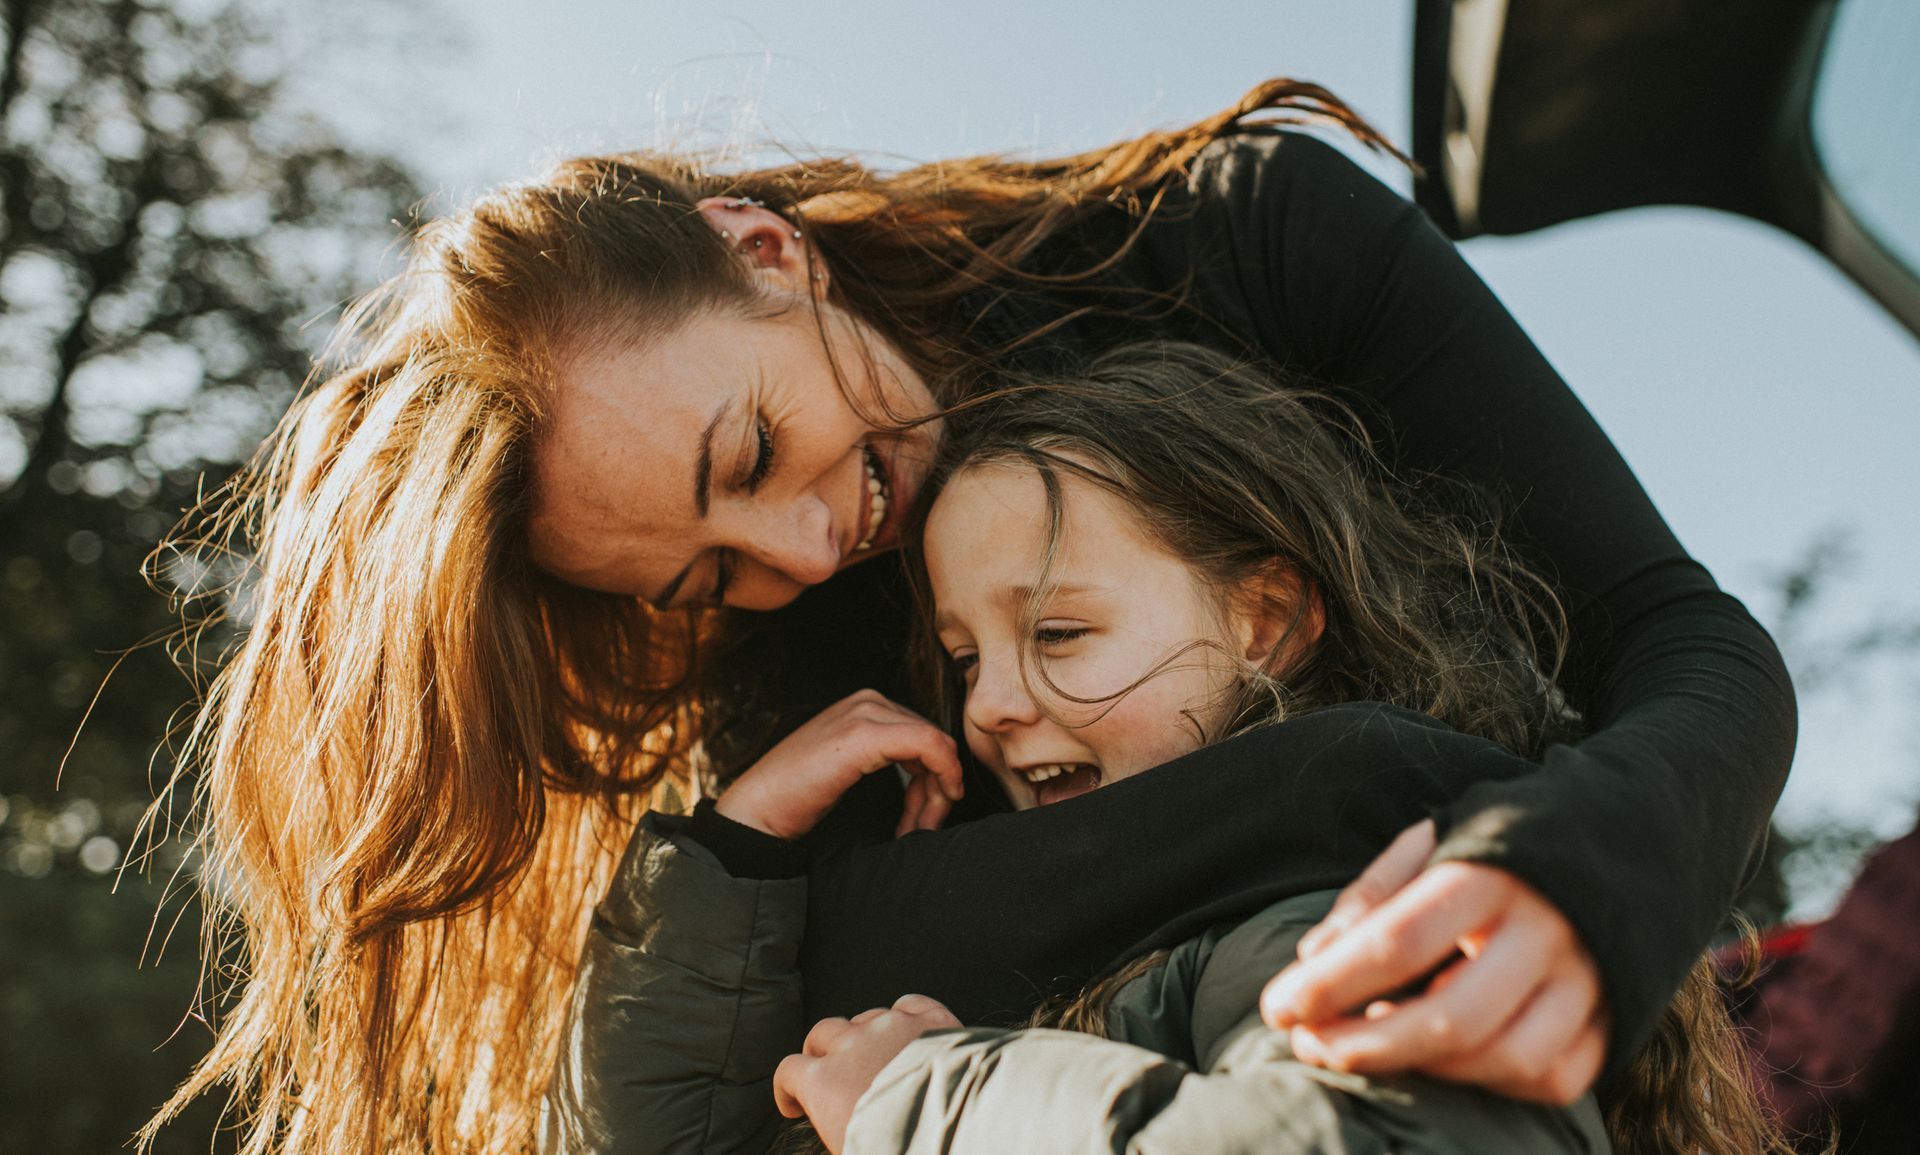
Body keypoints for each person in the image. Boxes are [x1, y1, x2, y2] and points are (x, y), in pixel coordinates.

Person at [146, 81, 1794, 1154]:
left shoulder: (1243, 237)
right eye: (704, 578)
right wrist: (1385, 782)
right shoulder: (793, 629)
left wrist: (1578, 868)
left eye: (754, 449)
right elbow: (843, 983)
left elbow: (1684, 652)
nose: (806, 548)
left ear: (766, 251)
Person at [547, 343, 1788, 1155]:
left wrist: (918, 1099)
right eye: (968, 661)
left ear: (1268, 622)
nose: (992, 708)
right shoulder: (1095, 942)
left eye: (1064, 633)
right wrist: (734, 853)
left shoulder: (1338, 896)